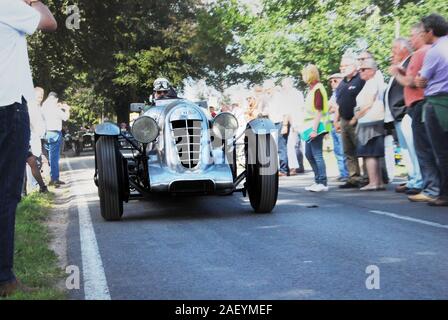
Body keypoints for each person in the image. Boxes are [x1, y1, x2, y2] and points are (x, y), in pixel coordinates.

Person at [0, 0, 57, 297]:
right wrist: (34, 1)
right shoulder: (8, 6)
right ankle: (4, 278)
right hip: (8, 107)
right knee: (6, 194)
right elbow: (49, 22)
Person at [390, 23, 438, 203]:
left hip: (418, 105)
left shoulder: (419, 53)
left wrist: (396, 73)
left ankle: (431, 188)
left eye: (412, 36)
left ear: (423, 34)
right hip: (424, 105)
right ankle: (433, 187)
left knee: (423, 150)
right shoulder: (431, 51)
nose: (411, 39)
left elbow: (413, 82)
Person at [414, 14, 448, 206]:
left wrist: (419, 79)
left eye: (422, 31)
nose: (421, 35)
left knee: (441, 151)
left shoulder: (435, 51)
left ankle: (444, 193)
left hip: (437, 103)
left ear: (430, 32)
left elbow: (422, 80)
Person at [386, 38, 423, 195]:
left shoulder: (409, 63)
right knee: (406, 150)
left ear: (404, 49)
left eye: (394, 48)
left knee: (414, 149)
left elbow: (408, 84)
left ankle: (419, 180)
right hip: (399, 114)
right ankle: (413, 178)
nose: (392, 52)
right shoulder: (401, 66)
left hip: (406, 111)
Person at [352, 59, 386, 191]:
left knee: (369, 153)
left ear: (372, 71)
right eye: (360, 69)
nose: (361, 71)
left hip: (369, 121)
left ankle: (373, 182)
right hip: (373, 120)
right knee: (374, 153)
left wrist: (356, 117)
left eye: (363, 69)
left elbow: (368, 103)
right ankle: (378, 182)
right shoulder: (372, 83)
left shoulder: (372, 83)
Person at [334, 54, 366, 188]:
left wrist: (355, 118)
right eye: (341, 66)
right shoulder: (342, 83)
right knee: (348, 151)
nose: (342, 68)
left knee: (363, 149)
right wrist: (337, 120)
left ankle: (367, 177)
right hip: (344, 120)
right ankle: (354, 178)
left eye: (345, 66)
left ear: (354, 66)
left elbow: (365, 101)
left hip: (357, 120)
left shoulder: (360, 80)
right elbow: (338, 103)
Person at [301, 64, 329, 192]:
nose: (303, 77)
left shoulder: (318, 88)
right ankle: (317, 180)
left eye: (304, 74)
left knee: (317, 155)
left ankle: (322, 182)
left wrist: (314, 130)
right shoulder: (312, 89)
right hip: (309, 127)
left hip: (316, 127)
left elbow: (319, 111)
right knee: (309, 154)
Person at [41, 92, 70, 187]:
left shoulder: (43, 106)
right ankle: (55, 179)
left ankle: (50, 178)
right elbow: (65, 117)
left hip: (45, 134)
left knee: (48, 157)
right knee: (54, 158)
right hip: (54, 134)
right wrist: (67, 109)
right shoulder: (55, 108)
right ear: (55, 99)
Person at [281, 77, 305, 176]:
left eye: (284, 85)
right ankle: (299, 166)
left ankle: (295, 167)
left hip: (294, 121)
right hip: (296, 121)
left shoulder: (293, 95)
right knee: (297, 145)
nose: (284, 87)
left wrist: (292, 123)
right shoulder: (297, 94)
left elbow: (291, 110)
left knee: (293, 145)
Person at [26, 87, 48, 193]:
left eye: (42, 94)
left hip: (35, 138)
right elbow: (30, 121)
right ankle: (37, 187)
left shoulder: (38, 106)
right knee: (33, 163)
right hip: (30, 138)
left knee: (35, 163)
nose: (41, 96)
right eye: (39, 95)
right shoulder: (31, 106)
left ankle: (40, 187)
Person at [328, 73, 349, 181]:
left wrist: (333, 108)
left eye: (335, 81)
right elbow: (328, 108)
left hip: (339, 121)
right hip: (332, 122)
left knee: (342, 149)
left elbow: (337, 107)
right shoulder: (334, 94)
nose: (332, 83)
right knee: (337, 150)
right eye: (331, 81)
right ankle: (342, 172)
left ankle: (346, 173)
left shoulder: (342, 91)